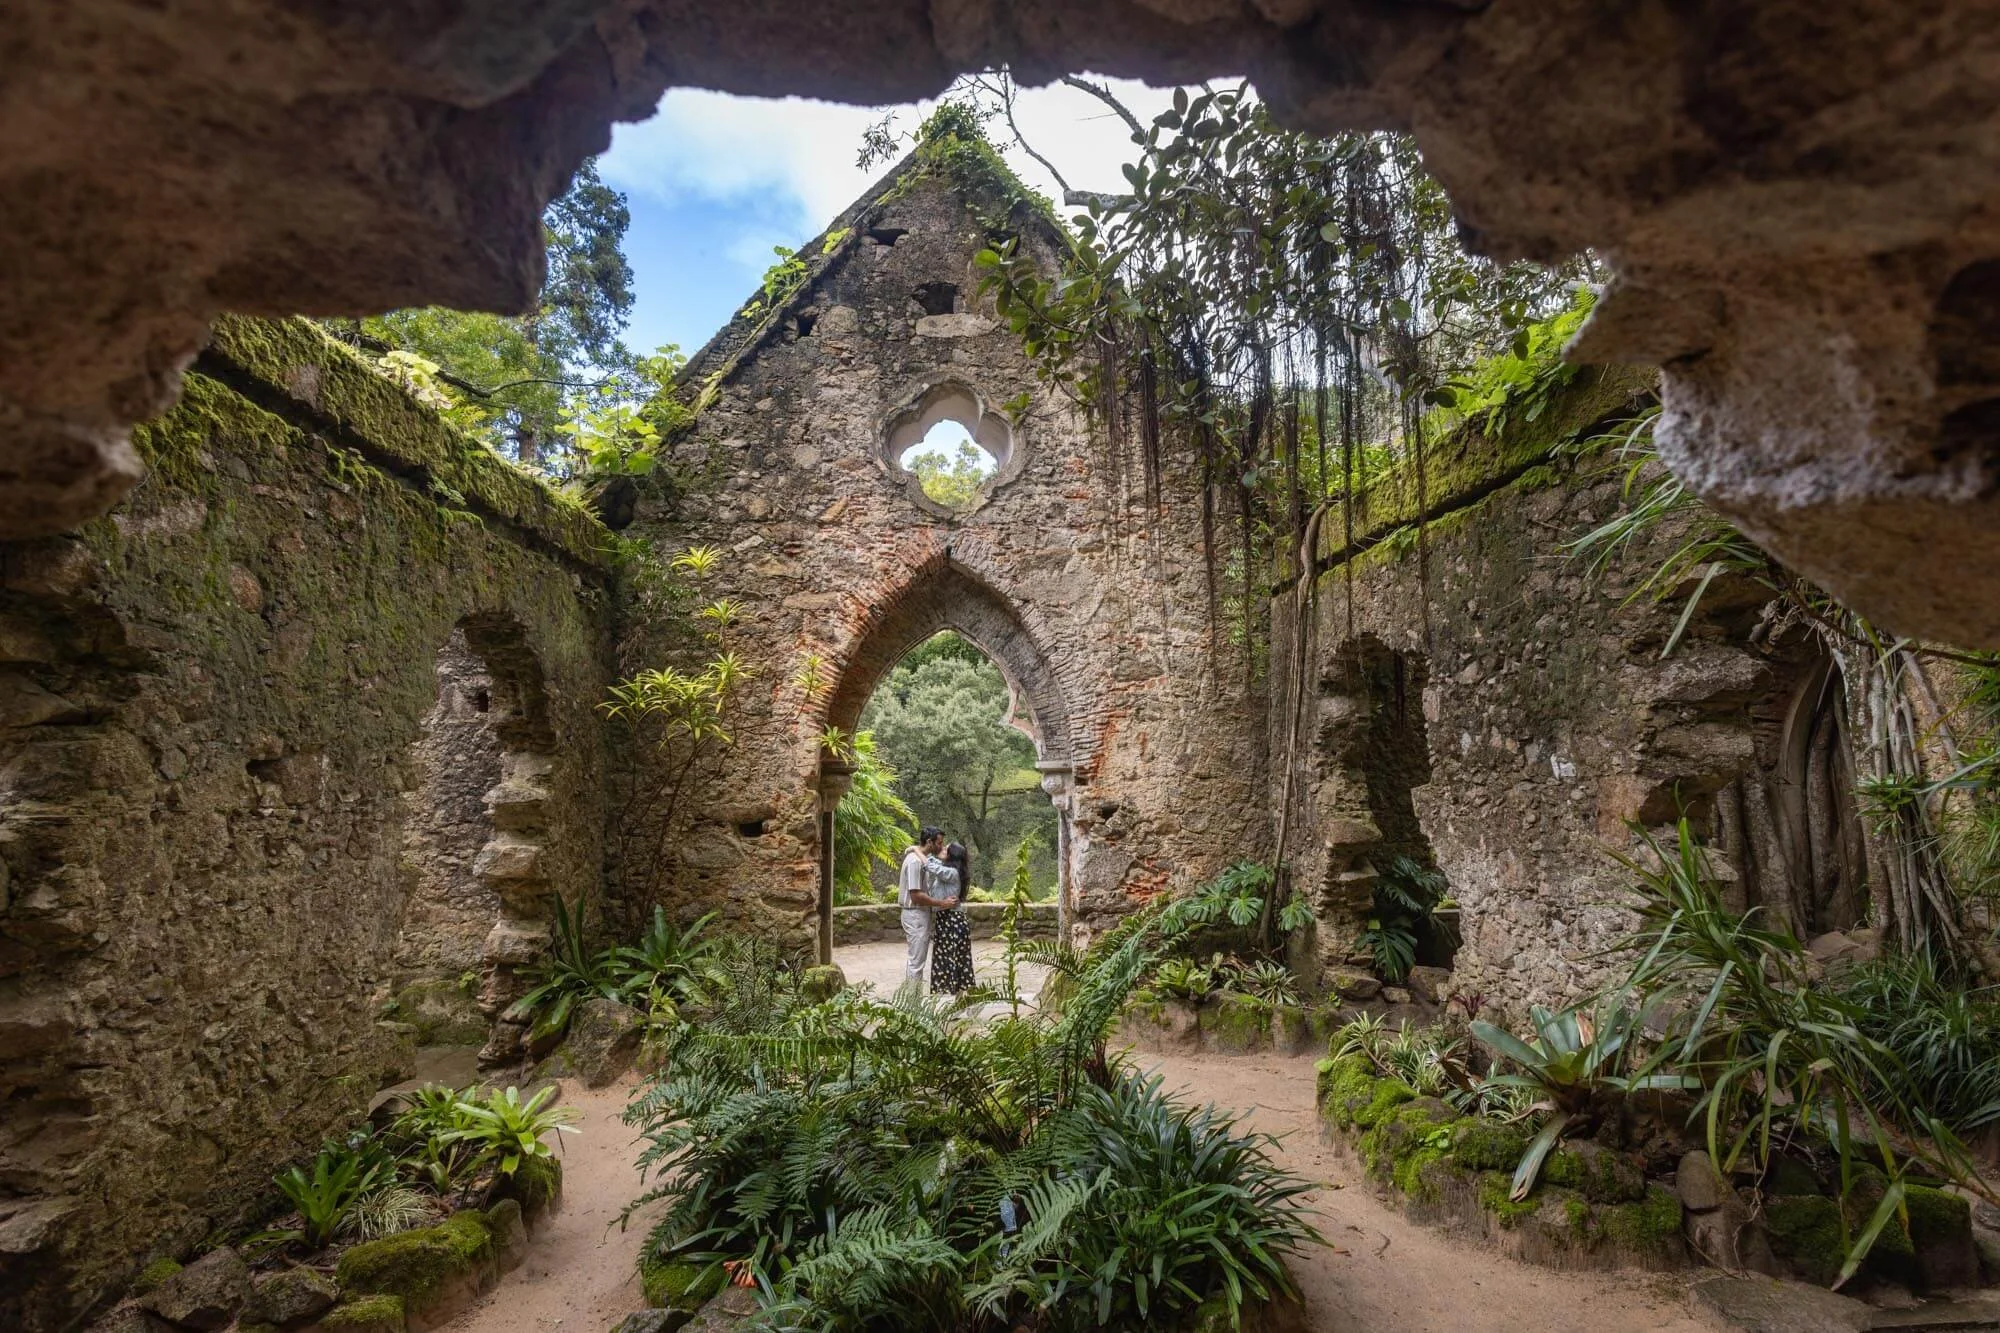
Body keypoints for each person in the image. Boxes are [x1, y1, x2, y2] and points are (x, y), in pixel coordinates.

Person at [899, 826, 949, 983]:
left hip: (919, 914)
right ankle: (913, 1003)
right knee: (916, 962)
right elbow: (916, 895)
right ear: (929, 842)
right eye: (939, 843)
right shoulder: (914, 862)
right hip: (915, 914)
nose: (941, 846)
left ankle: (912, 999)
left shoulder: (921, 859)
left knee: (916, 960)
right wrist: (941, 903)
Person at [928, 841, 975, 995]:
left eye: (946, 849)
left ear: (951, 855)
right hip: (948, 920)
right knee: (952, 959)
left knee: (952, 959)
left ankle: (959, 998)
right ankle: (960, 998)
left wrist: (916, 851)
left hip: (951, 921)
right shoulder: (950, 870)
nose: (942, 849)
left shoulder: (951, 873)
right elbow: (934, 863)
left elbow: (931, 866)